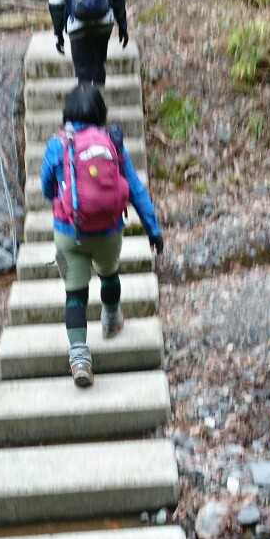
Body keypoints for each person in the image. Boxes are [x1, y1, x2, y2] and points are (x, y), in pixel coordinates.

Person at [40, 81, 163, 388]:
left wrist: (62, 197)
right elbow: (135, 188)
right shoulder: (112, 141)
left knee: (75, 293)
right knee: (109, 274)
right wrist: (153, 229)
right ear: (100, 112)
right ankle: (110, 319)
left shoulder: (57, 144)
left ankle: (80, 357)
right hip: (108, 232)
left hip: (69, 233)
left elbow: (46, 188)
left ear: (67, 112)